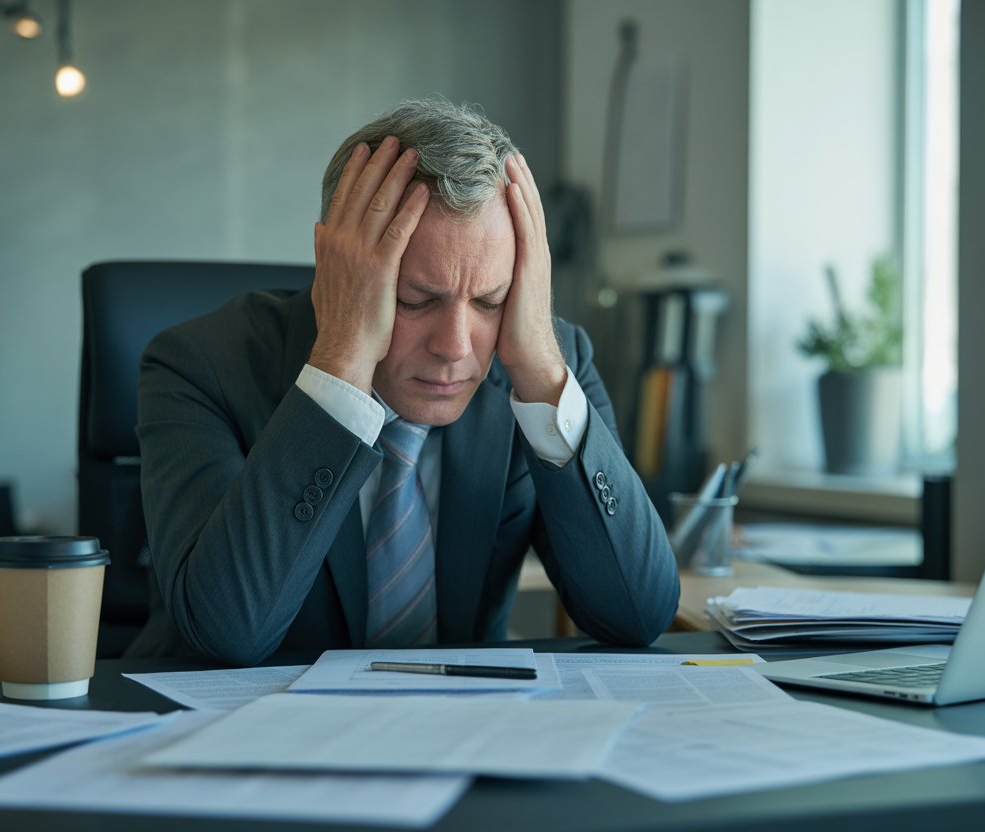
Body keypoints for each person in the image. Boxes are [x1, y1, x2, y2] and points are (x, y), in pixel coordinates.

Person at [127, 99, 679, 664]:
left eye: (490, 300)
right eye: (415, 300)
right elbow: (227, 632)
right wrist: (341, 364)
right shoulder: (196, 366)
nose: (455, 347)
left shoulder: (542, 366)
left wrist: (540, 372)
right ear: (336, 266)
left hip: (463, 733)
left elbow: (639, 614)